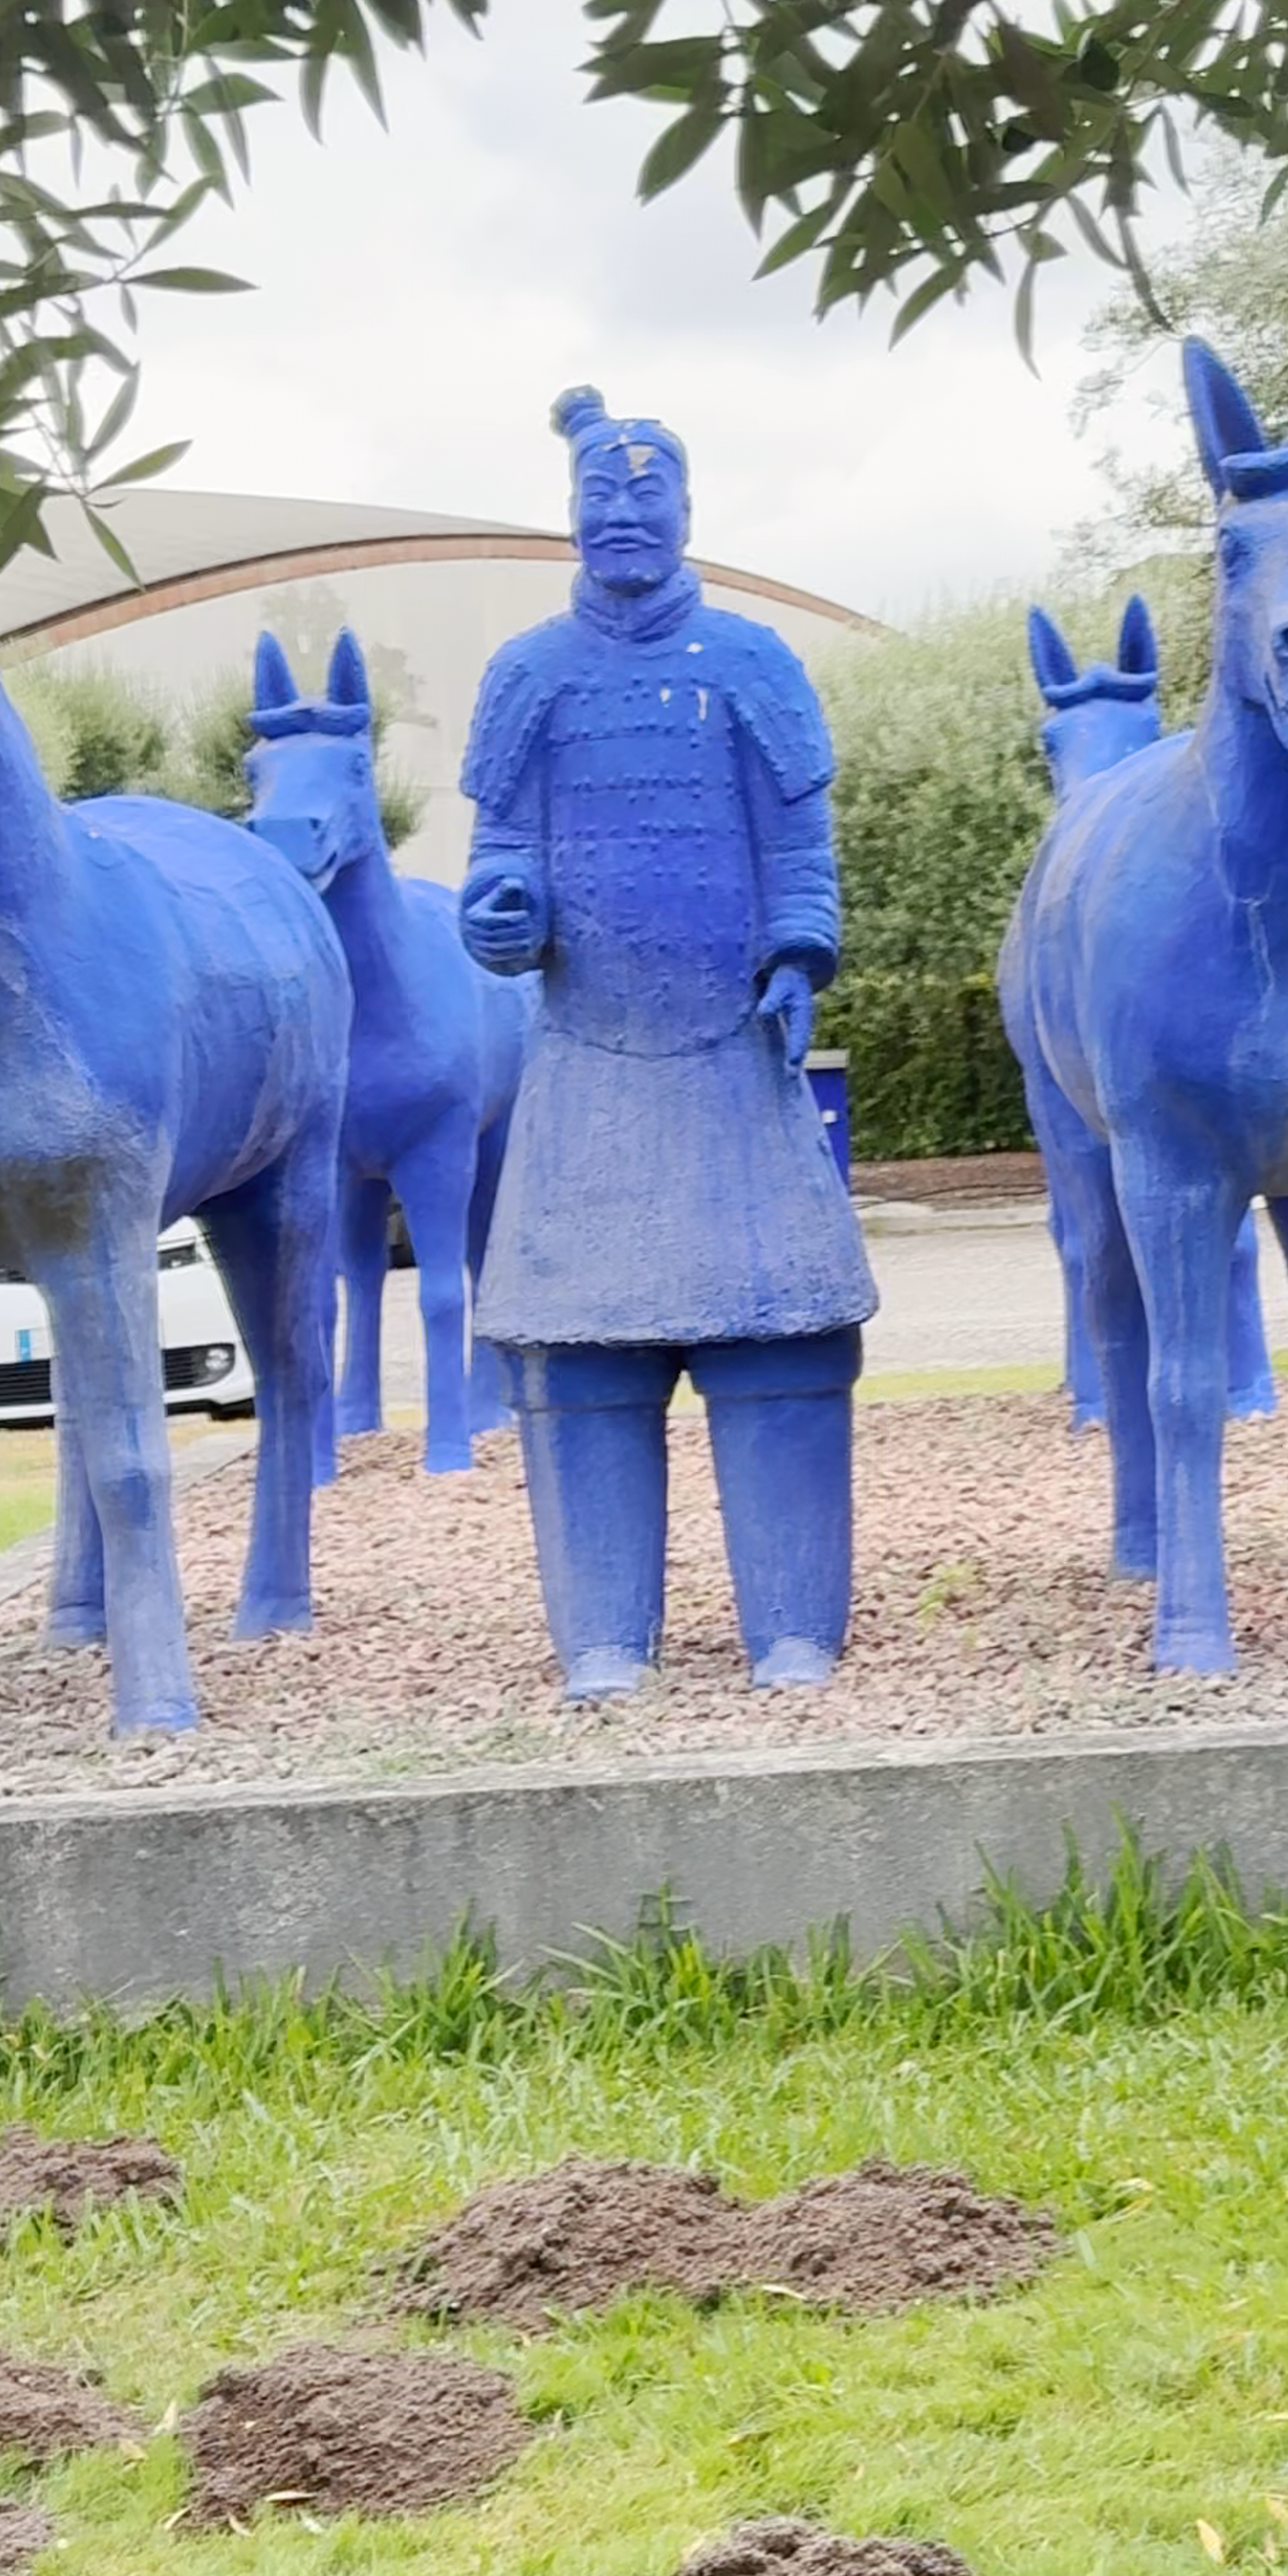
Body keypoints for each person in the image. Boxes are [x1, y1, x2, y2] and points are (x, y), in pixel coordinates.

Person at [458, 390, 874, 1690]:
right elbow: (500, 862)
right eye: (601, 500)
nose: (623, 519)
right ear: (573, 515)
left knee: (783, 1334)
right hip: (585, 1063)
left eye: (648, 499)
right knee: (579, 1351)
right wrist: (502, 917)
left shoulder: (751, 664)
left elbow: (801, 851)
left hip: (733, 1058)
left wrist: (801, 954)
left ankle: (794, 1626)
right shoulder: (525, 675)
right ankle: (600, 1639)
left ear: (687, 512)